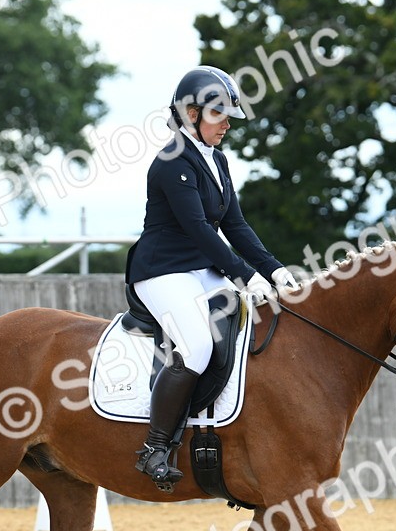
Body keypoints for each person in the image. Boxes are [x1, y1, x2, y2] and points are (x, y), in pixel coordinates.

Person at [126, 65, 298, 490]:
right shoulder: (170, 163)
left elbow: (235, 225)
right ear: (190, 113)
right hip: (162, 270)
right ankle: (155, 448)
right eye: (218, 116)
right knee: (198, 345)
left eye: (227, 117)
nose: (225, 126)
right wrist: (243, 274)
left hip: (200, 270)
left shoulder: (216, 159)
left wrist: (273, 269)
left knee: (254, 327)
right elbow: (199, 230)